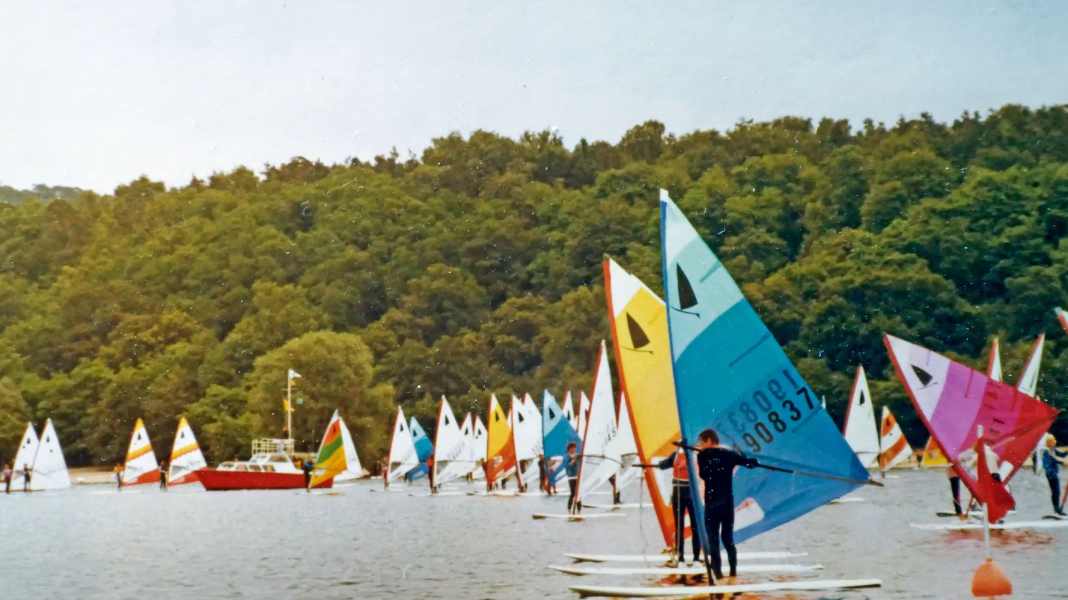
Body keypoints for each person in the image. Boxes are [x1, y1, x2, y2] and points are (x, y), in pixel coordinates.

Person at [691, 429, 757, 580]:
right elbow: (748, 463)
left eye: (701, 442)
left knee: (713, 538)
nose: (699, 445)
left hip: (711, 504)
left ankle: (718, 574)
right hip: (727, 504)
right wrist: (753, 461)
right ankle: (733, 572)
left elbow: (703, 475)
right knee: (727, 538)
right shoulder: (729, 454)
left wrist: (707, 456)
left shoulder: (702, 455)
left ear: (709, 440)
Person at [657, 444, 700, 567]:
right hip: (678, 494)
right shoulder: (676, 453)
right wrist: (649, 465)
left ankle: (696, 558)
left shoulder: (696, 454)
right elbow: (664, 464)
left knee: (695, 527)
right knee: (679, 526)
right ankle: (680, 558)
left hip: (692, 494)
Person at [1041, 434, 1067, 516]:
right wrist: (1062, 462)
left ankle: (1057, 510)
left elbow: (1062, 455)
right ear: (1049, 443)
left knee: (1056, 492)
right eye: (1053, 442)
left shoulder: (1053, 450)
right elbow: (1048, 463)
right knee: (1055, 492)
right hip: (1051, 475)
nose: (1054, 444)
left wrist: (1067, 452)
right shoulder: (1047, 452)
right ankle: (1057, 510)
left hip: (1054, 474)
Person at [564, 442, 580, 514]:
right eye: (572, 448)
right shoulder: (566, 456)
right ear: (569, 449)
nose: (574, 449)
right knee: (573, 493)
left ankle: (579, 509)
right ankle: (569, 507)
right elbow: (567, 466)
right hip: (571, 477)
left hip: (578, 476)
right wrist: (573, 460)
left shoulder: (577, 455)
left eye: (574, 448)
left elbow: (581, 462)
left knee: (578, 493)